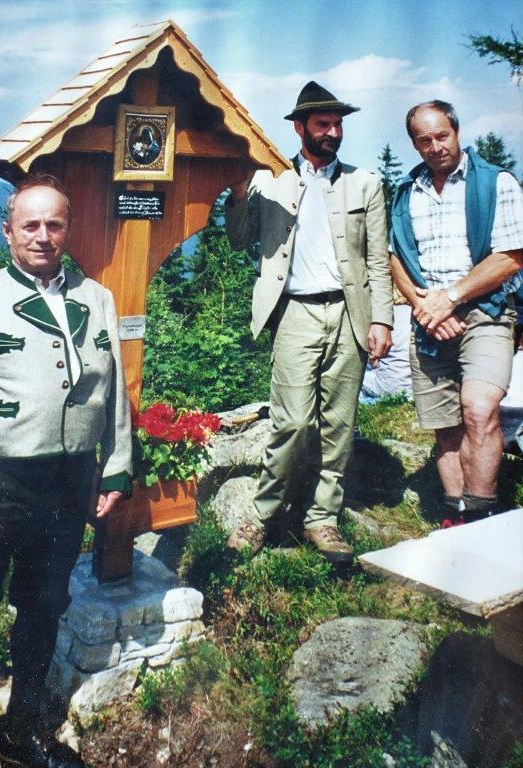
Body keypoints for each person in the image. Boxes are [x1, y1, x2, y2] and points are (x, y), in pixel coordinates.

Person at [0, 175, 133, 768]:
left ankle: (20, 731)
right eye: (30, 225)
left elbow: (115, 392)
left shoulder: (97, 299)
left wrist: (115, 469)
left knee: (44, 604)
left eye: (54, 224)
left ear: (68, 229)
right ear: (7, 232)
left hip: (68, 482)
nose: (43, 236)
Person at [224, 81, 393, 562]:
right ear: (299, 128)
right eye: (323, 124)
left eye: (338, 124)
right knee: (295, 421)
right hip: (295, 311)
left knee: (339, 423)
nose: (333, 132)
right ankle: (262, 515)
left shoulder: (365, 184)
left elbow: (377, 261)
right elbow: (238, 239)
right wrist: (239, 191)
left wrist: (382, 320)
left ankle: (322, 519)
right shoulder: (270, 180)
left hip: (350, 312)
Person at [390, 100, 523, 525]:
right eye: (424, 140)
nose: (435, 147)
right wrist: (424, 307)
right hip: (429, 320)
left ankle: (482, 514)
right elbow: (395, 257)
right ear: (415, 144)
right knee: (445, 423)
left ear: (457, 131)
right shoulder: (407, 191)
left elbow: (511, 256)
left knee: (480, 409)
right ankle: (455, 512)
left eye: (442, 136)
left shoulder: (496, 182)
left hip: (486, 311)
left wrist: (450, 298)